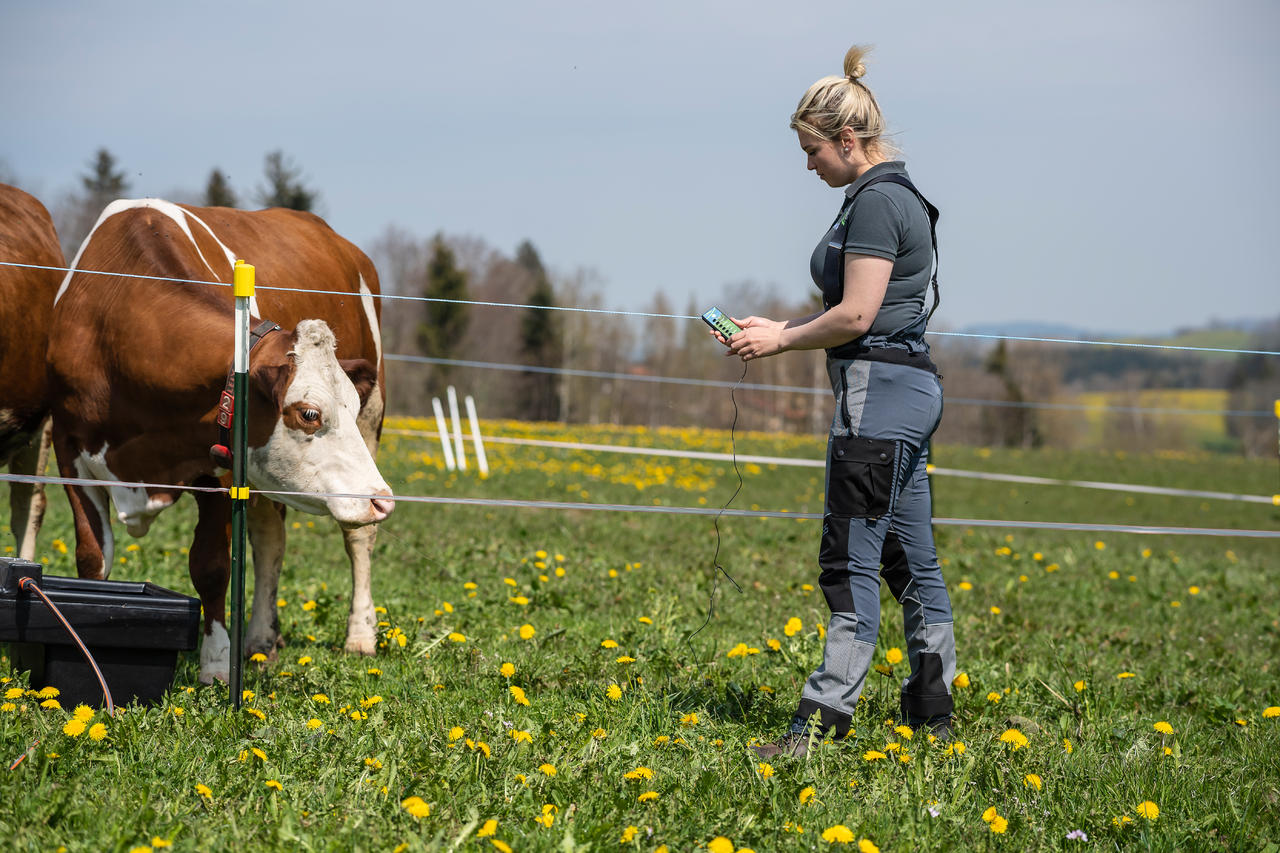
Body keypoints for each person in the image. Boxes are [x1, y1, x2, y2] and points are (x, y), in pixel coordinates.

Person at [717, 45, 957, 757]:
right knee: (911, 560)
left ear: (847, 141)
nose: (809, 164)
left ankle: (818, 725)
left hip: (876, 401)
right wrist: (782, 327)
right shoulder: (892, 195)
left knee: (848, 559)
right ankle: (932, 712)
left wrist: (781, 340)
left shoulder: (879, 202)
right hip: (907, 392)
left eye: (812, 149)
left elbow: (855, 315)